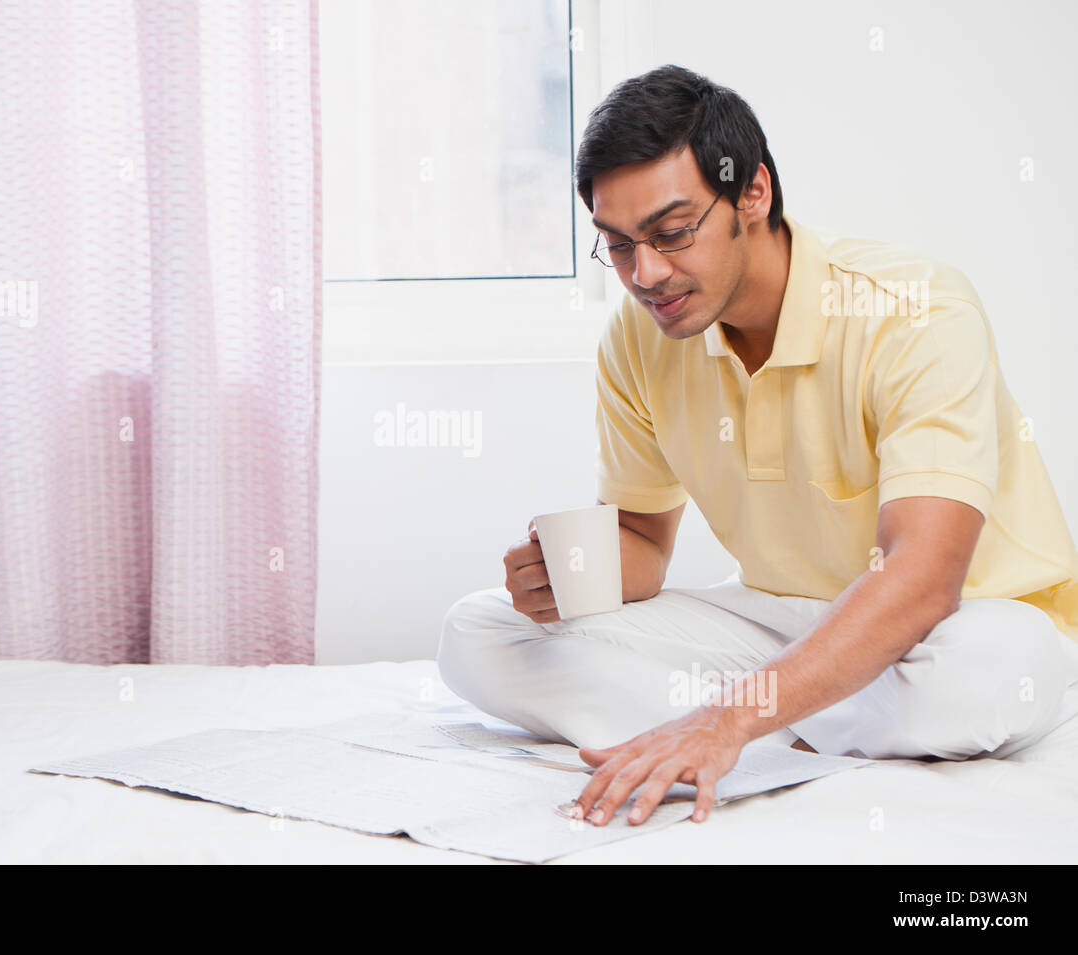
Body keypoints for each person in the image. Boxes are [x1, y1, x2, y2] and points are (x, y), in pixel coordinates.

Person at [436, 64, 1078, 829]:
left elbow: (922, 576)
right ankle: (798, 713)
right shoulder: (639, 339)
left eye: (673, 233)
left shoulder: (914, 310)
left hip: (961, 621)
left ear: (753, 193)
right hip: (785, 620)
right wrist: (568, 575)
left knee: (986, 678)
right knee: (479, 635)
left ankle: (744, 718)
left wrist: (730, 717)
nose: (647, 274)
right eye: (618, 246)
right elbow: (642, 538)